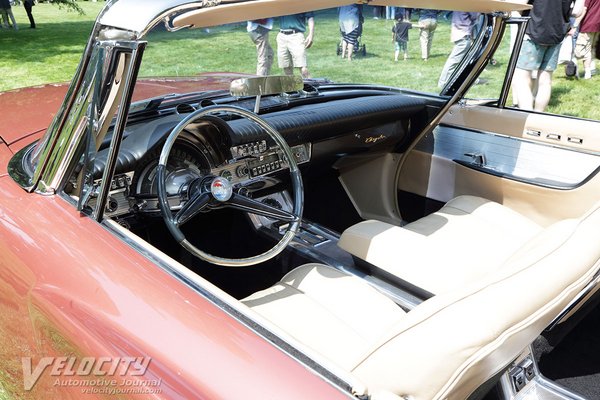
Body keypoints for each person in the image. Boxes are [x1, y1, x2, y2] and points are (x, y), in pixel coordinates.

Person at [514, 0, 584, 111]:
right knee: (545, 81)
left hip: (532, 31)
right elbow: (577, 12)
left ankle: (527, 120)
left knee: (523, 78)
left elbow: (519, 4)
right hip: (556, 33)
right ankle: (538, 118)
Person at [438, 12, 480, 87]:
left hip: (458, 33)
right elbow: (475, 15)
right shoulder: (467, 4)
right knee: (453, 61)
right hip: (464, 35)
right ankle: (442, 83)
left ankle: (472, 80)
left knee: (466, 60)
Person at [277, 13, 315, 78]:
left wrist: (311, 35)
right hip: (282, 35)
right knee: (286, 67)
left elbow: (310, 17)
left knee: (303, 68)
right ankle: (291, 88)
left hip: (296, 35)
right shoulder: (280, 3)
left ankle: (309, 87)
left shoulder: (301, 2)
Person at [575, 0, 600, 78]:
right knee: (592, 47)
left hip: (588, 24)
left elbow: (584, 9)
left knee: (584, 49)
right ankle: (592, 69)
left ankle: (587, 72)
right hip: (598, 25)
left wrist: (575, 24)